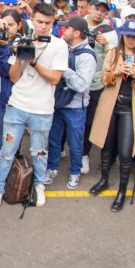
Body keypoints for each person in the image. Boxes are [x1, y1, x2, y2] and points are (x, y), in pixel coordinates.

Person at [0, 4, 69, 210]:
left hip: (42, 110)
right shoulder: (22, 40)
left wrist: (33, 62)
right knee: (6, 151)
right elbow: (14, 77)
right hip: (17, 106)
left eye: (48, 23)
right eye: (40, 21)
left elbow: (54, 79)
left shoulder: (59, 46)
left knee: (39, 152)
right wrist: (19, 57)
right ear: (32, 20)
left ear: (53, 23)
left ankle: (39, 185)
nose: (43, 26)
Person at [88, 19, 135, 211]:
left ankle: (122, 192)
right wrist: (117, 71)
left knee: (126, 152)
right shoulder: (112, 53)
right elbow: (104, 79)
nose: (131, 40)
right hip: (111, 106)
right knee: (106, 147)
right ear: (122, 35)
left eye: (134, 36)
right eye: (128, 35)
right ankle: (104, 180)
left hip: (130, 109)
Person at [45, 15, 96, 192]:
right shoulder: (63, 47)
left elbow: (82, 85)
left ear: (75, 32)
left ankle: (74, 172)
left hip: (75, 108)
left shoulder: (87, 56)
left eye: (66, 28)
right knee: (54, 139)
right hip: (58, 103)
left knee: (75, 143)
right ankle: (51, 168)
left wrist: (63, 69)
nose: (62, 30)